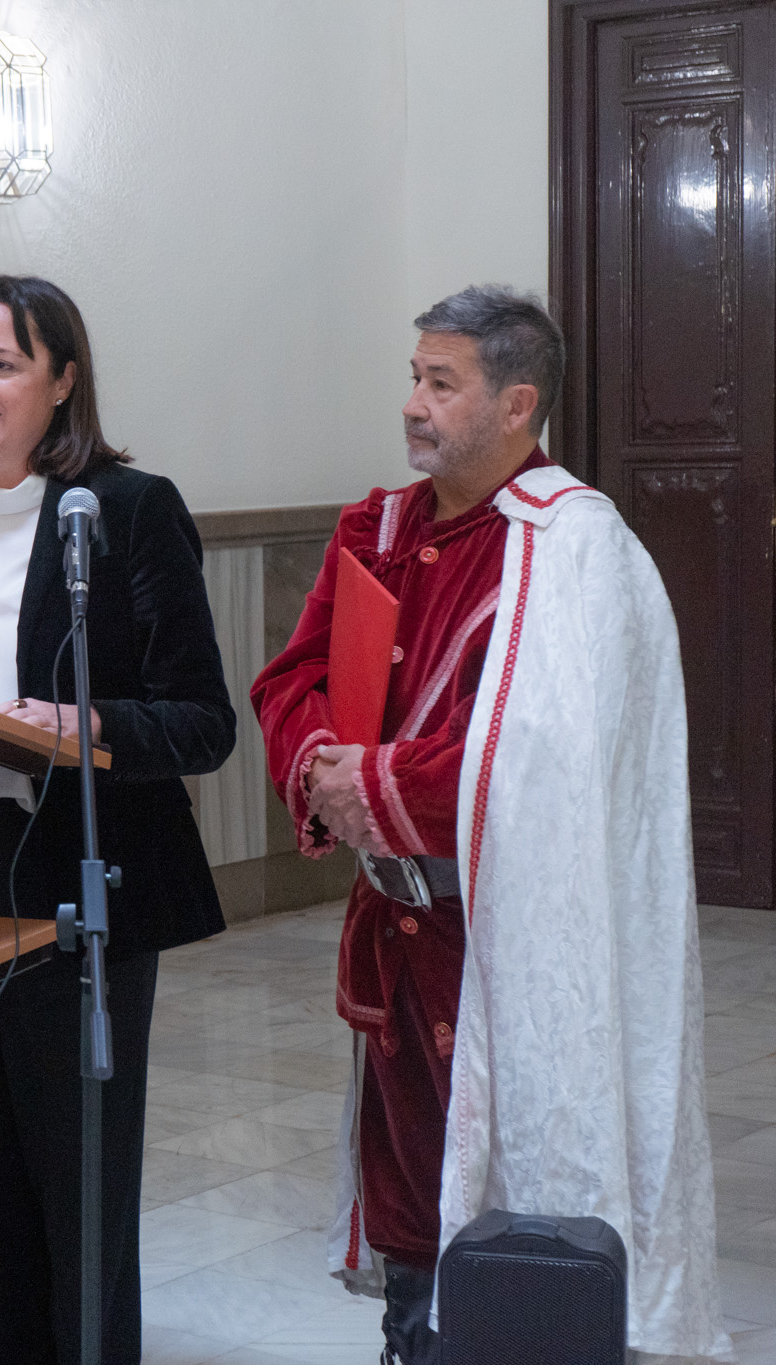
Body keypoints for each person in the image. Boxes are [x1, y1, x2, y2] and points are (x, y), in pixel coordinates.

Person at [250, 286, 727, 1364]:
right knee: (411, 1184)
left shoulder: (574, 549)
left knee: (524, 1183)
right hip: (394, 932)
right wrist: (319, 764)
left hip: (508, 938)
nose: (412, 404)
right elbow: (291, 680)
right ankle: (410, 1340)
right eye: (412, 377)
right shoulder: (372, 530)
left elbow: (532, 756)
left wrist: (362, 781)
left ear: (517, 405)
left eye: (440, 383)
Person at [0, 275, 236, 1363]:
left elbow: (202, 722)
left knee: (74, 1190)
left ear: (62, 383)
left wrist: (79, 723)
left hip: (73, 882)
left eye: (4, 364)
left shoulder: (125, 511)